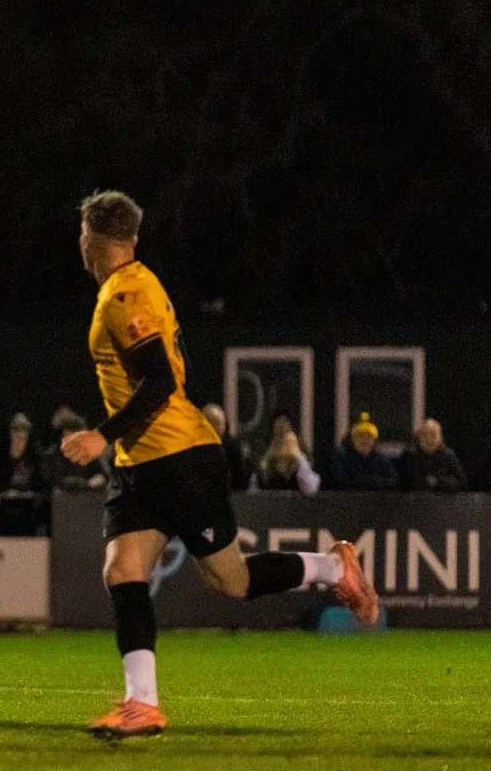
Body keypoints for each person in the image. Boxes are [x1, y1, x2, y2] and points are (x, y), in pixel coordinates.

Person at [59, 192, 375, 739]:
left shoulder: (125, 295)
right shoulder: (129, 285)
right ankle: (142, 704)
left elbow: (158, 382)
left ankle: (333, 568)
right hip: (142, 461)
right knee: (122, 570)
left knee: (234, 582)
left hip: (179, 456)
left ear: (90, 241)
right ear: (130, 239)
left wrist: (100, 436)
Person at [0, 411, 50, 536]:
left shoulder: (36, 456)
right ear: (9, 432)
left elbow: (42, 487)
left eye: (24, 430)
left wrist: (26, 496)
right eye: (15, 430)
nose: (19, 434)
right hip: (1, 515)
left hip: (28, 515)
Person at [322, 413, 398, 491]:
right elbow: (340, 481)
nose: (364, 440)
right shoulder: (341, 459)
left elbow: (392, 482)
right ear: (352, 439)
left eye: (369, 436)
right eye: (360, 435)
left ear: (374, 441)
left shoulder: (382, 461)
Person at [397, 417, 467, 492]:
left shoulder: (447, 454)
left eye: (432, 435)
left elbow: (461, 481)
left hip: (442, 498)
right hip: (418, 498)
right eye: (425, 435)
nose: (429, 438)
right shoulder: (411, 454)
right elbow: (404, 481)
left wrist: (438, 481)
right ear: (420, 435)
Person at [252, 419, 321, 493]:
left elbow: (311, 488)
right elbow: (255, 488)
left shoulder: (299, 460)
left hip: (295, 503)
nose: (284, 444)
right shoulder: (268, 461)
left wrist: (297, 455)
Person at [200, 403, 250, 492]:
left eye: (219, 423)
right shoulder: (194, 447)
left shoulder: (232, 446)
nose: (215, 428)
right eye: (211, 422)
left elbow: (241, 478)